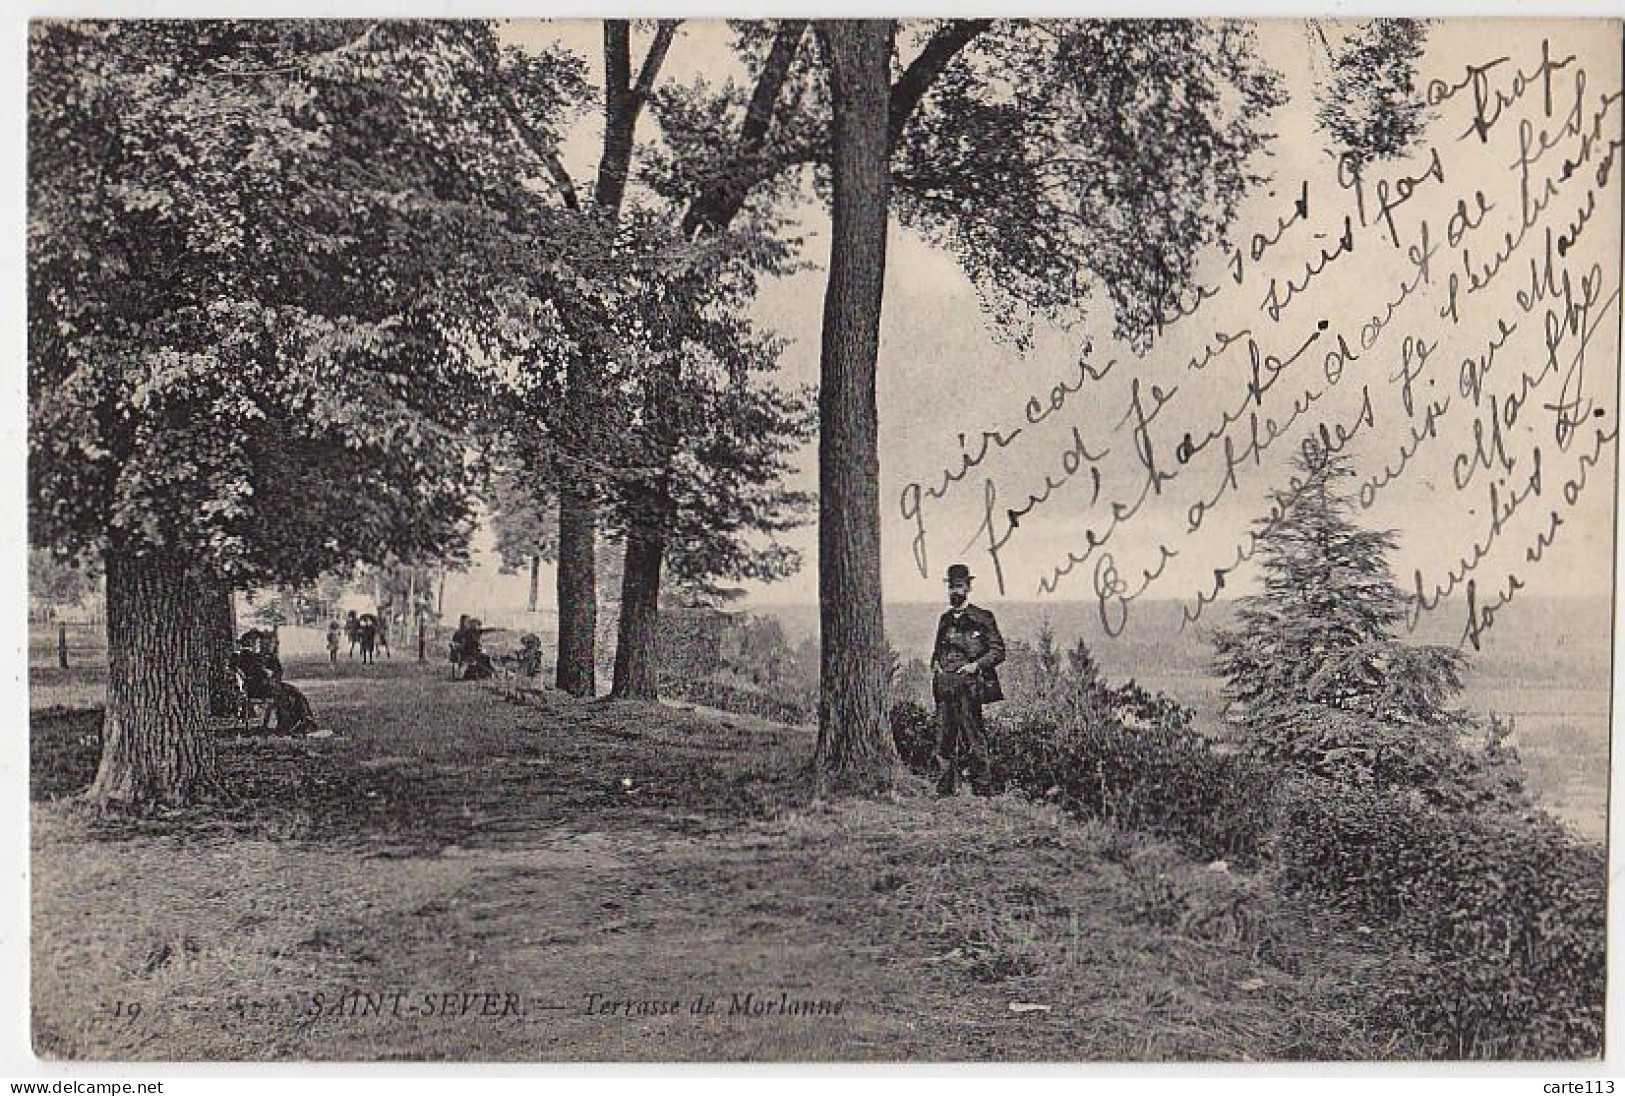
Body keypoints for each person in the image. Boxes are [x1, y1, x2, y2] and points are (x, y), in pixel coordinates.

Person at [930, 563, 1006, 797]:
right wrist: (935, 667)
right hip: (945, 687)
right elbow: (937, 651)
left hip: (969, 687)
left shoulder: (982, 618)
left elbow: (998, 651)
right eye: (952, 587)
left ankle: (982, 790)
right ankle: (945, 790)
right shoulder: (945, 620)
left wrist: (975, 666)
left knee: (974, 738)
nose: (955, 592)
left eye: (960, 587)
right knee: (944, 738)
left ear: (969, 587)